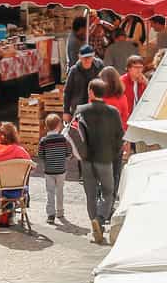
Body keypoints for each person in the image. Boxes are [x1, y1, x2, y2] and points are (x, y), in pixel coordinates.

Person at [76, 84, 125, 244]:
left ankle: (94, 225)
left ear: (90, 92)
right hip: (105, 159)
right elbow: (120, 137)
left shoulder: (81, 110)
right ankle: (101, 219)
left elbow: (76, 133)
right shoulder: (113, 112)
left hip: (86, 159)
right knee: (108, 191)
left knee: (90, 193)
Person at [36, 111, 73, 226]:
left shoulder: (43, 140)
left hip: (49, 170)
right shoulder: (63, 139)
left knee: (50, 192)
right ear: (59, 125)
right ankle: (60, 212)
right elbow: (68, 153)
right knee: (60, 191)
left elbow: (40, 155)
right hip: (61, 170)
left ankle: (50, 215)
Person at [62, 45, 109, 114]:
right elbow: (67, 92)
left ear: (93, 56)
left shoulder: (99, 67)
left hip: (96, 108)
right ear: (79, 57)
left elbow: (105, 86)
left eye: (89, 57)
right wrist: (66, 111)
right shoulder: (74, 70)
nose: (86, 60)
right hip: (78, 109)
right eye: (84, 57)